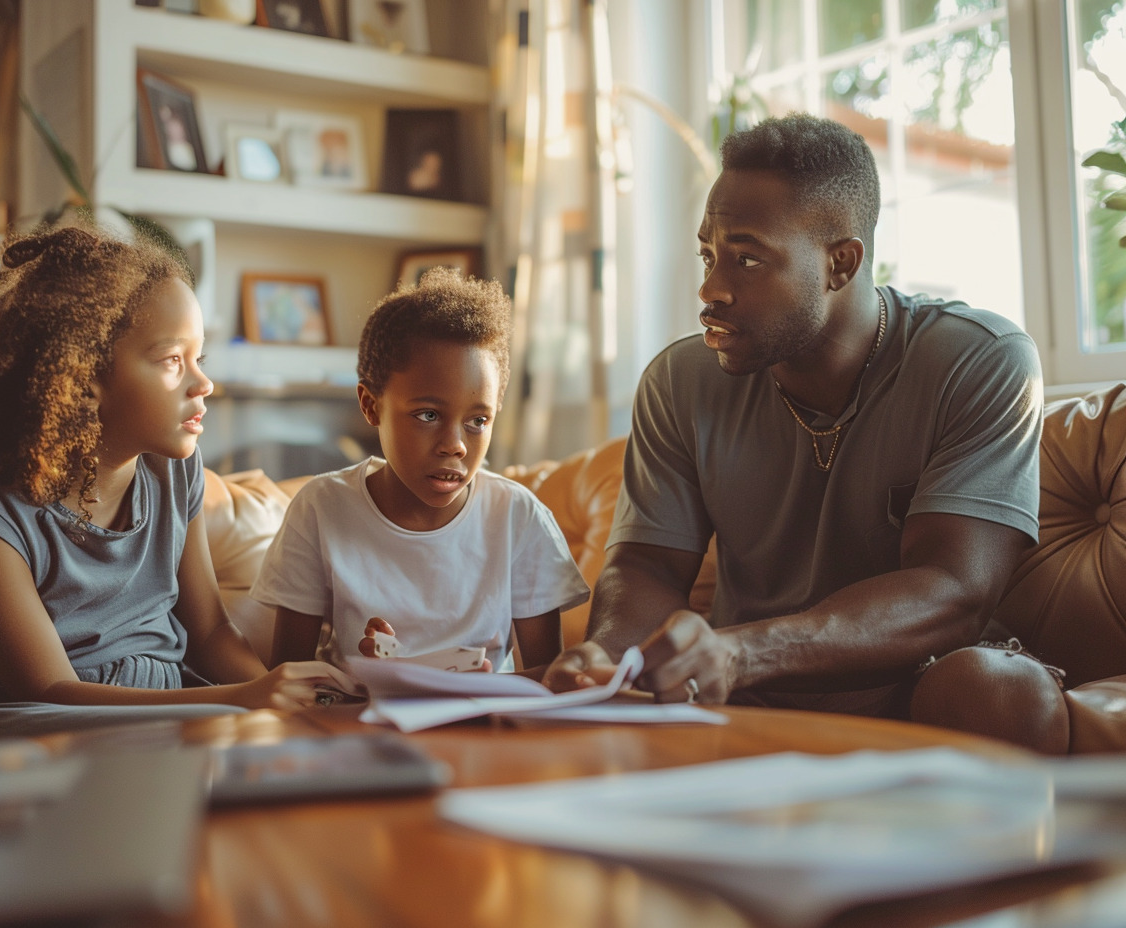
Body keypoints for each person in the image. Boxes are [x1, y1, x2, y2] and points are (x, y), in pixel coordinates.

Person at [542, 113, 1069, 753]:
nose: (711, 288)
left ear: (840, 263)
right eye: (708, 255)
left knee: (995, 685)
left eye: (747, 259)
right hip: (747, 692)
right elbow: (648, 563)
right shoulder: (679, 382)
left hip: (922, 688)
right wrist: (608, 660)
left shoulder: (979, 359)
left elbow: (954, 588)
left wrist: (741, 652)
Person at [0, 226, 354, 753]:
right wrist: (247, 699)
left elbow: (208, 636)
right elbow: (44, 689)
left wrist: (284, 703)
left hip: (165, 713)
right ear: (83, 376)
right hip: (23, 730)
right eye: (171, 360)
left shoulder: (173, 473)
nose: (203, 384)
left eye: (199, 358)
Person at [252, 268, 589, 677]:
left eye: (478, 421)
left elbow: (546, 681)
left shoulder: (519, 518)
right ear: (371, 405)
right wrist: (365, 678)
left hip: (484, 732)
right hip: (358, 726)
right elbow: (288, 681)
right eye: (428, 415)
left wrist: (486, 690)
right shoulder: (322, 509)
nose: (455, 445)